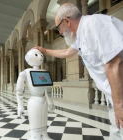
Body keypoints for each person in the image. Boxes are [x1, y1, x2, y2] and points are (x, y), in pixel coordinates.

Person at [33, 3, 123, 140]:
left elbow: (114, 64)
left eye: (58, 28)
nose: (60, 33)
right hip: (114, 95)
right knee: (116, 133)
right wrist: (45, 51)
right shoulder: (80, 35)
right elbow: (67, 52)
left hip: (120, 95)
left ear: (67, 21)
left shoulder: (94, 25)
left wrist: (119, 105)